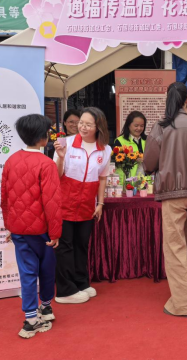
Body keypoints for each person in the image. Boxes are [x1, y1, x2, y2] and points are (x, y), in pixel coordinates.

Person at [143, 82, 187, 318]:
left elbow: (149, 162)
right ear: (186, 101)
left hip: (173, 192)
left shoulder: (162, 127)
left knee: (175, 246)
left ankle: (183, 304)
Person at [1, 114, 63, 339]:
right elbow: (53, 202)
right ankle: (45, 307)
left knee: (27, 273)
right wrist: (55, 232)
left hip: (19, 229)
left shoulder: (11, 160)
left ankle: (30, 318)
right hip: (42, 231)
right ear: (44, 137)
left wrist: (9, 225)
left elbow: (5, 196)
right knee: (47, 269)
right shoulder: (46, 164)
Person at [53, 107, 111, 304]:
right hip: (65, 202)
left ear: (98, 126)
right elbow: (56, 176)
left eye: (88, 124)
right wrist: (61, 157)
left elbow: (102, 178)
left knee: (81, 245)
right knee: (65, 247)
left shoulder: (105, 149)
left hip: (87, 204)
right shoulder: (66, 143)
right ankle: (65, 290)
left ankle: (81, 282)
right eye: (81, 123)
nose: (83, 127)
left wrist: (100, 203)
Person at [114, 111, 146, 178]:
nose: (139, 128)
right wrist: (134, 159)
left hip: (144, 179)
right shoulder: (120, 141)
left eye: (142, 126)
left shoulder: (147, 140)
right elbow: (116, 161)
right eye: (136, 126)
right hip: (126, 179)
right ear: (128, 125)